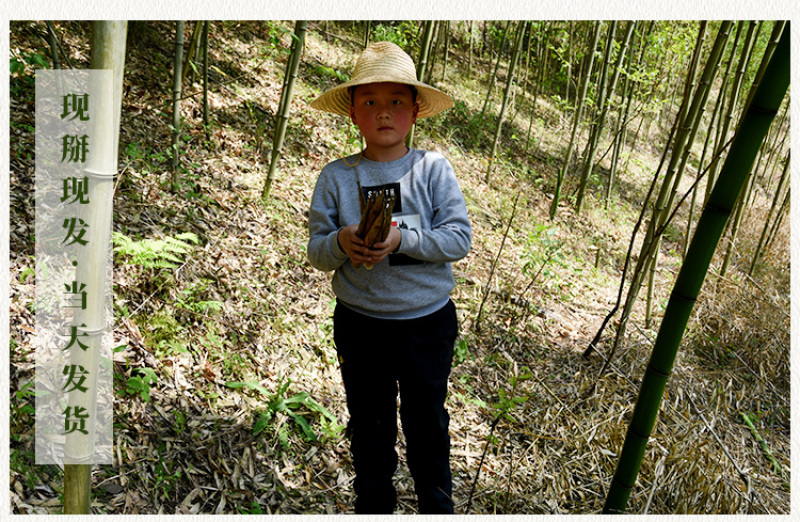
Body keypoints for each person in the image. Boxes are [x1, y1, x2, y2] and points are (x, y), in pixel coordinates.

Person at [306, 41, 472, 514]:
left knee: (426, 422)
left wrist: (401, 238)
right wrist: (342, 241)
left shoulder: (432, 169)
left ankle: (435, 505)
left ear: (416, 110)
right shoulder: (338, 177)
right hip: (361, 323)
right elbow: (317, 252)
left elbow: (459, 238)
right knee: (370, 423)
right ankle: (374, 505)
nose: (384, 112)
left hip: (427, 323)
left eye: (396, 101)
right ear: (353, 114)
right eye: (370, 102)